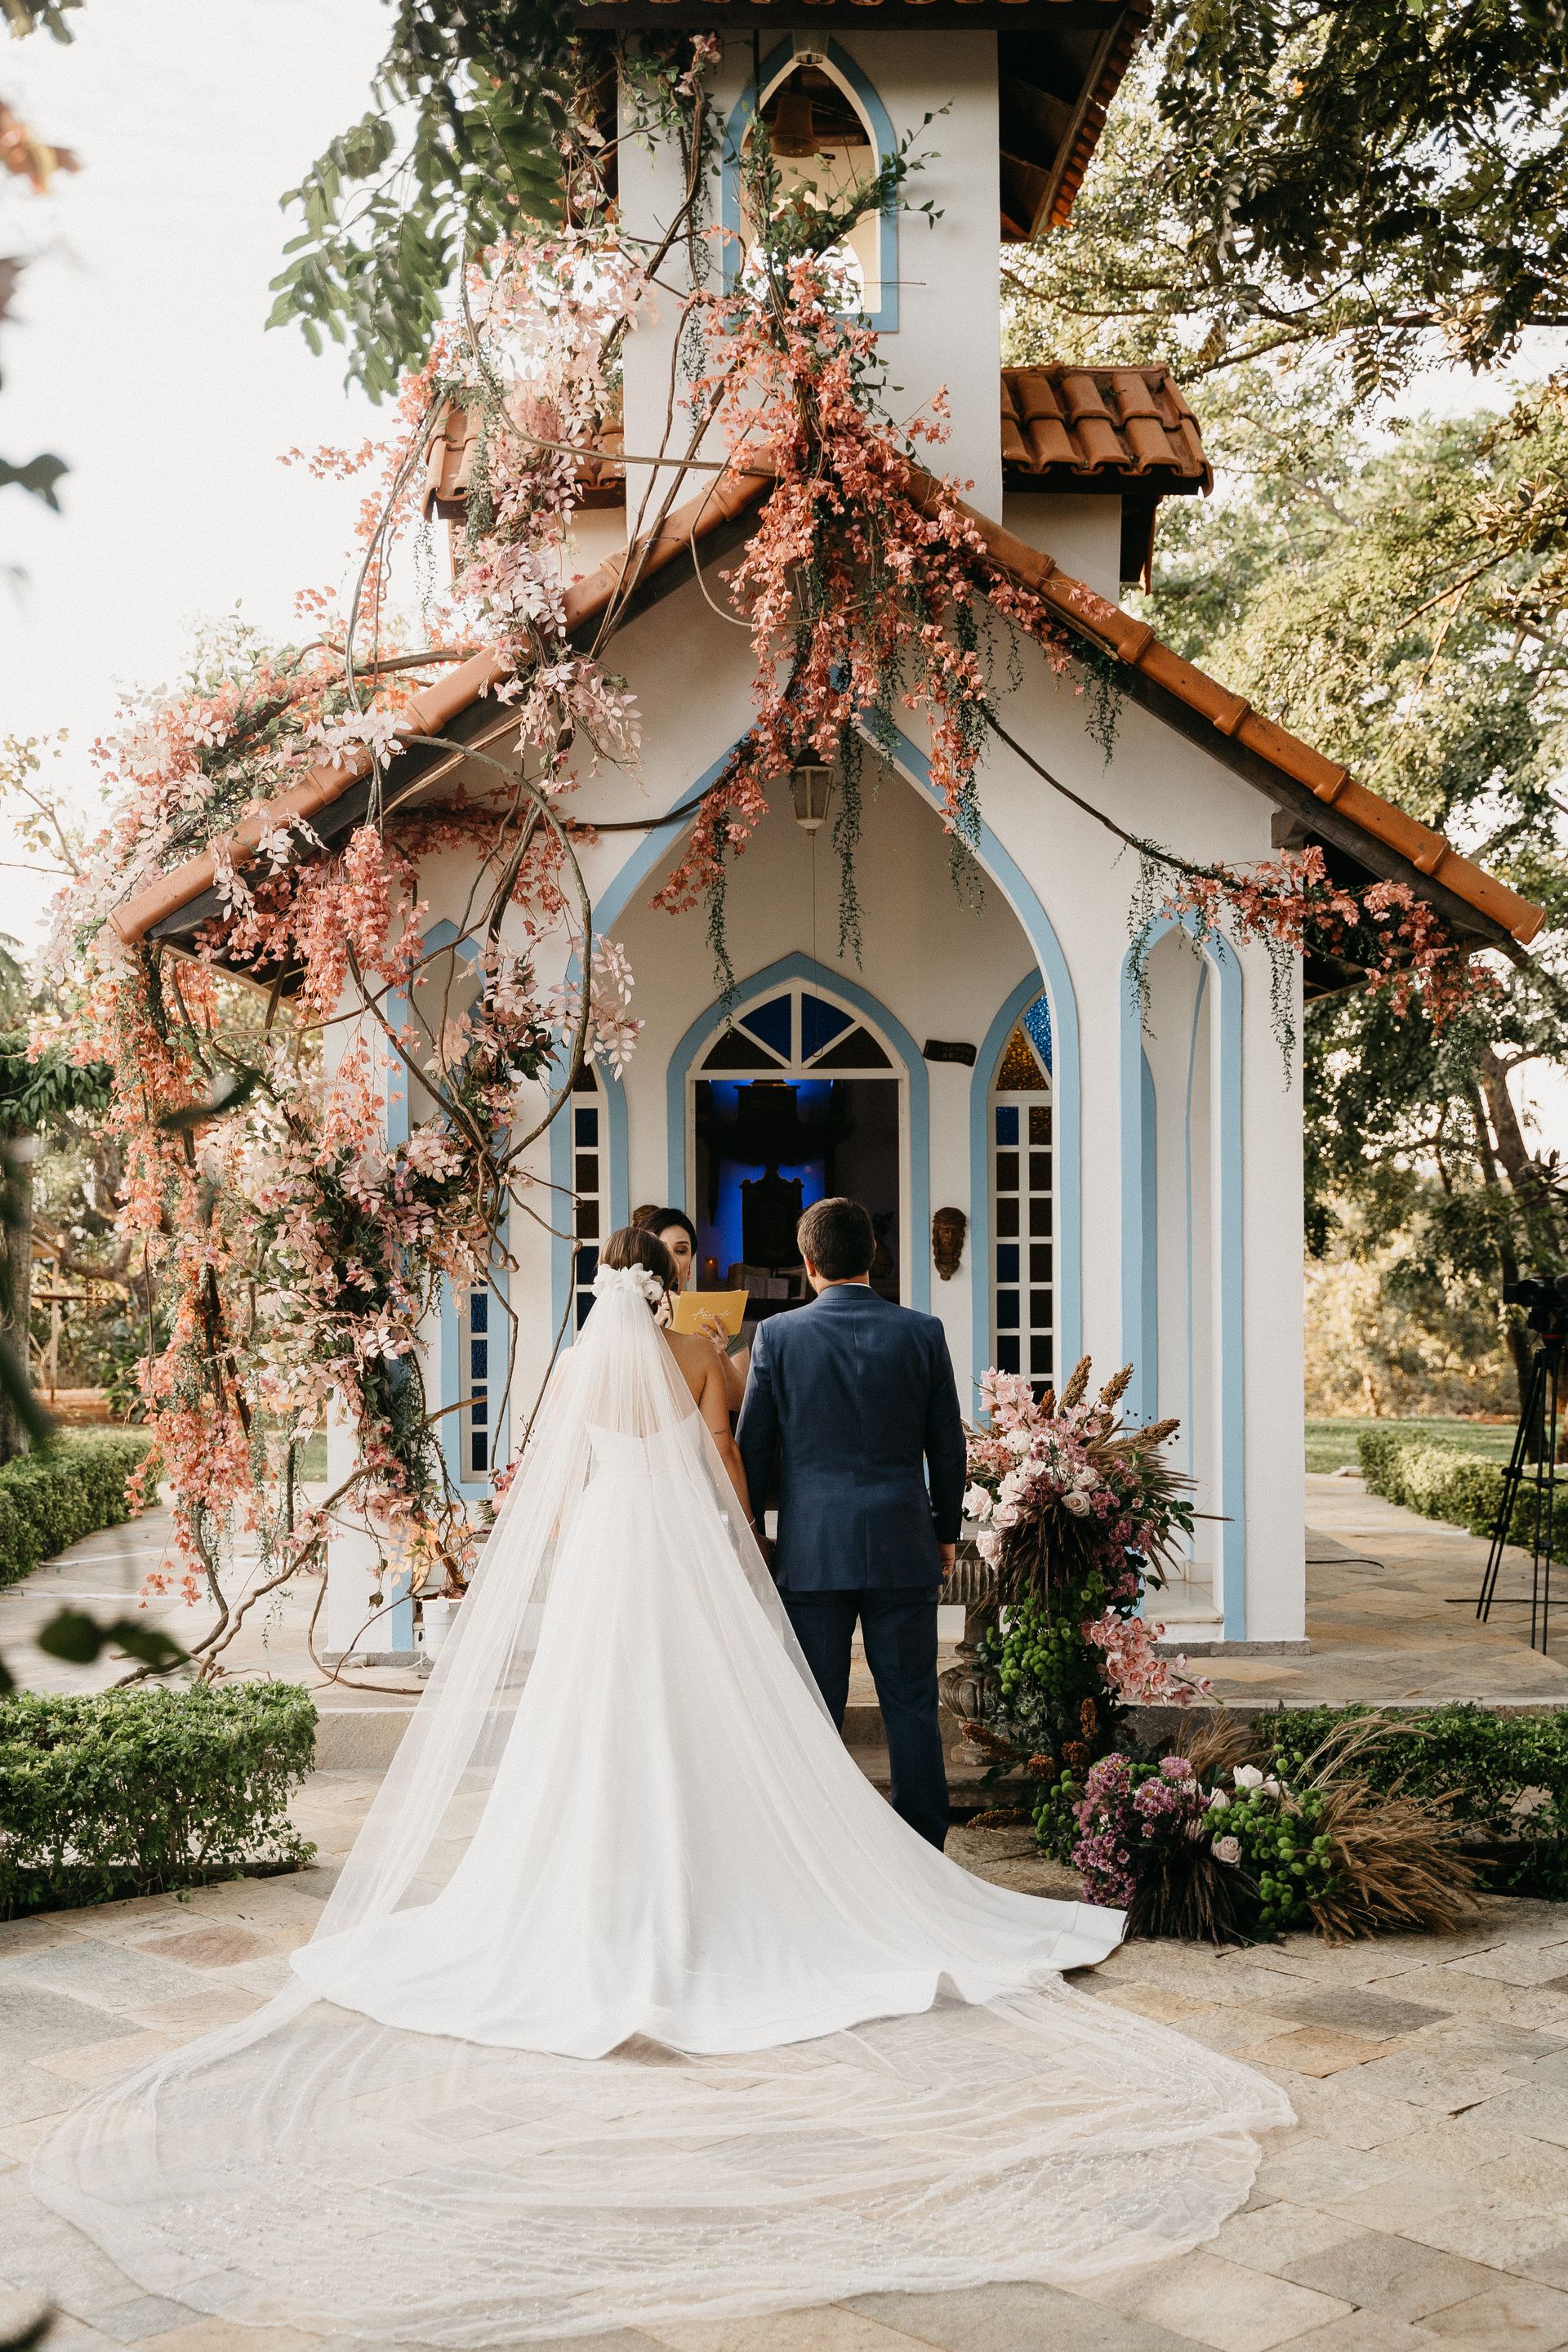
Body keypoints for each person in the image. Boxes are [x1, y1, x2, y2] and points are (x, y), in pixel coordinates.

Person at [33, 1222, 1292, 2346]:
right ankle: (897, 1850)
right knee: (851, 1716)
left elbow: (649, 1468)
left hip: (635, 1560)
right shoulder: (812, 1342)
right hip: (850, 1543)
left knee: (689, 1716)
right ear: (677, 1280)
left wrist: (742, 1539)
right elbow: (781, 1460)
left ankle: (643, 1866)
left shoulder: (649, 1358)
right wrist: (818, 1533)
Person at [737, 1196, 962, 1849]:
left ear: (809, 1264)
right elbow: (947, 1446)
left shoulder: (776, 1336)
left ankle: (821, 1849)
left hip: (812, 1550)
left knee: (815, 1711)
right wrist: (945, 1531)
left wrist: (758, 1526)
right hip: (902, 1541)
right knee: (912, 1705)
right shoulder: (923, 1332)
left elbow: (754, 1447)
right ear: (873, 1256)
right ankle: (924, 1850)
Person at [638, 1201, 751, 1410]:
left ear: (690, 1265)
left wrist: (719, 1355)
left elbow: (741, 1402)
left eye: (681, 1251)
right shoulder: (629, 1317)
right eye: (660, 1249)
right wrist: (654, 1327)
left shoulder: (716, 1316)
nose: (670, 1259)